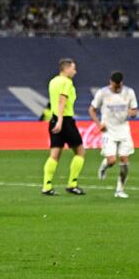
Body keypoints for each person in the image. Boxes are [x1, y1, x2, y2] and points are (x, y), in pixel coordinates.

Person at [89, 71, 138, 198]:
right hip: (108, 131)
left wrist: (131, 113)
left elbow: (134, 111)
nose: (117, 88)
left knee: (124, 161)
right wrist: (99, 124)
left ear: (121, 83)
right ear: (110, 82)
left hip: (124, 130)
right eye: (114, 86)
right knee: (112, 161)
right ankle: (104, 166)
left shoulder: (129, 92)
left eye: (118, 86)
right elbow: (92, 110)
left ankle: (119, 190)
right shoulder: (103, 93)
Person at [42, 58, 86, 196]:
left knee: (54, 154)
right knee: (80, 151)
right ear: (66, 69)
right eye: (73, 68)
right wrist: (61, 121)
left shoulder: (53, 81)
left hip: (53, 119)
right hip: (65, 120)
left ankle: (46, 186)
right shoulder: (67, 82)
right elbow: (62, 101)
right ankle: (72, 184)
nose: (75, 71)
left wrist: (56, 120)